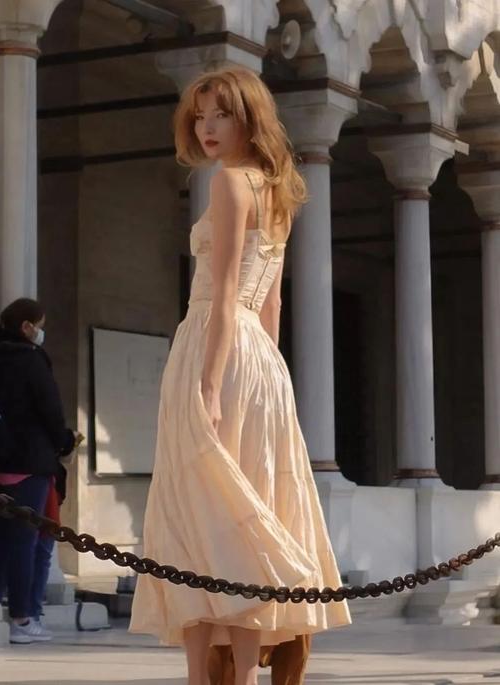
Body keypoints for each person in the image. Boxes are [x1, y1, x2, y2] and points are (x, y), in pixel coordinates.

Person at [129, 67, 351, 685]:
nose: (206, 128)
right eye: (200, 116)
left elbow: (225, 292)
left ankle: (203, 677)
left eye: (221, 114)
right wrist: (267, 381)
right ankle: (244, 674)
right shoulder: (278, 190)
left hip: (214, 346)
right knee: (240, 516)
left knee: (195, 515)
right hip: (258, 360)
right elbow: (271, 303)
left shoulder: (228, 183)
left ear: (248, 118)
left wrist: (209, 384)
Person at [0, 298, 80, 644]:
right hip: (28, 463)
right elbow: (50, 409)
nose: (41, 332)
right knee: (24, 542)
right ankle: (22, 618)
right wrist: (65, 441)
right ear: (27, 327)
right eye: (40, 325)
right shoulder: (31, 359)